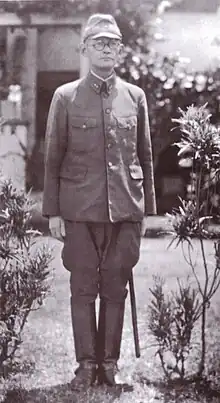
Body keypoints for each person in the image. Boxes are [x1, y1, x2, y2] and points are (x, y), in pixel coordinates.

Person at [42, 13, 157, 393]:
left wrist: (146, 212)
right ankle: (85, 366)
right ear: (84, 49)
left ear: (120, 50)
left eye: (113, 42)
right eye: (99, 42)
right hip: (78, 209)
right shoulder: (66, 96)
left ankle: (110, 365)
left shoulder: (135, 97)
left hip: (125, 208)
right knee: (83, 288)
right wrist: (54, 211)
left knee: (115, 287)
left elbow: (145, 155)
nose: (106, 48)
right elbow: (53, 155)